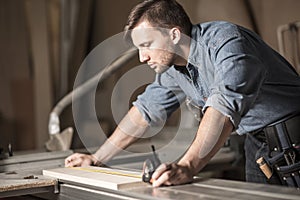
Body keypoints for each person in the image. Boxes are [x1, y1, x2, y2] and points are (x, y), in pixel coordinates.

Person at [65, 0, 300, 188]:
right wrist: (97, 158)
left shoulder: (226, 42)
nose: (141, 57)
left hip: (293, 138)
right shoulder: (175, 68)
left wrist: (187, 166)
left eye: (147, 44)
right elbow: (145, 112)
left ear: (174, 35)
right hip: (256, 144)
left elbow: (223, 107)